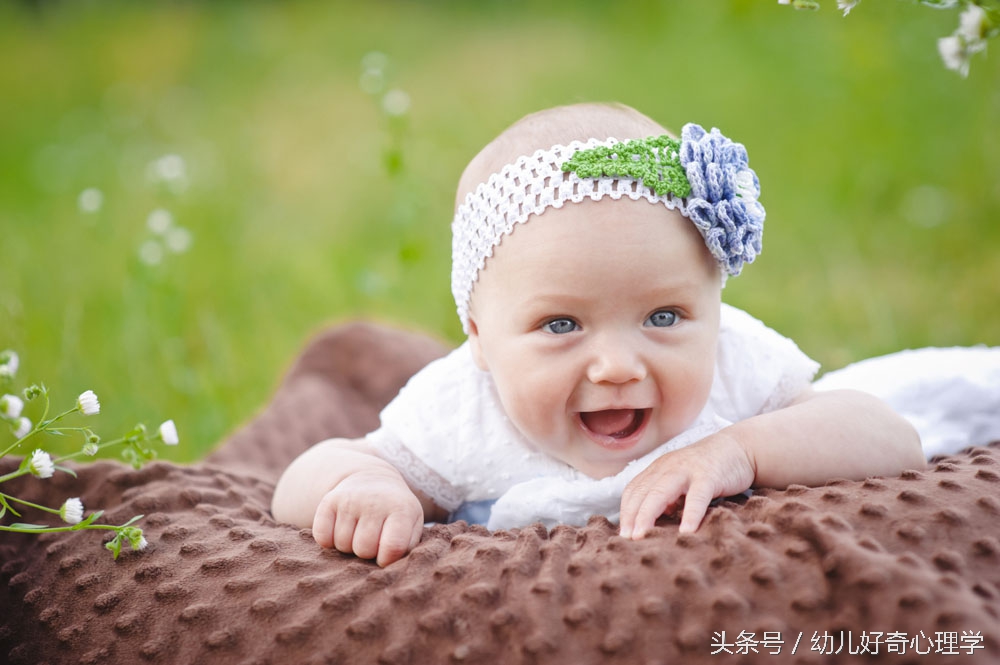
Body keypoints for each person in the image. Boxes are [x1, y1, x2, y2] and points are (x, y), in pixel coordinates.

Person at [271, 102, 925, 567]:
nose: (615, 366)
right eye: (560, 324)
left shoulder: (732, 360)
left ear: (714, 306)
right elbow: (306, 478)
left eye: (663, 317)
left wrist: (743, 450)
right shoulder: (464, 408)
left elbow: (890, 436)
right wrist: (366, 487)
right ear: (479, 336)